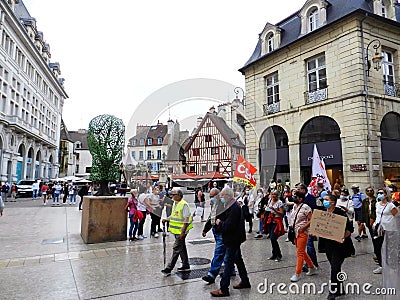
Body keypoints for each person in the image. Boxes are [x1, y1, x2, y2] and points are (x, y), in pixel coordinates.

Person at [210, 186, 250, 297]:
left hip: (233, 239)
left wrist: (219, 223)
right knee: (238, 260)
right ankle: (245, 281)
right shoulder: (230, 206)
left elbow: (229, 226)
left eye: (222, 195)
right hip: (234, 238)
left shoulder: (234, 208)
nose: (221, 197)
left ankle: (224, 288)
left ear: (227, 196)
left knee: (228, 263)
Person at [321, 194, 354, 300]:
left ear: (333, 202)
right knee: (336, 267)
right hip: (327, 245)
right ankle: (340, 289)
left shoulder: (340, 213)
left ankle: (333, 292)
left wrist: (343, 237)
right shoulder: (322, 213)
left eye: (326, 200)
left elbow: (349, 229)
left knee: (334, 268)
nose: (324, 201)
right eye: (324, 199)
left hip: (339, 245)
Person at [202, 188, 232, 284]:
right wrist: (205, 229)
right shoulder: (214, 204)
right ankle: (231, 270)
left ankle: (212, 274)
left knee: (218, 253)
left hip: (222, 231)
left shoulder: (224, 204)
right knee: (229, 253)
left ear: (218, 195)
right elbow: (211, 217)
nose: (210, 198)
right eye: (210, 196)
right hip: (216, 230)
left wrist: (221, 224)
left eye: (212, 196)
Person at [161, 189, 193, 276]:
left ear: (179, 195)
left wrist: (183, 232)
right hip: (177, 231)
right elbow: (174, 215)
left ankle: (169, 268)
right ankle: (186, 265)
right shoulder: (175, 203)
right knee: (181, 248)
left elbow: (186, 220)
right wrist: (167, 219)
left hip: (182, 231)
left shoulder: (184, 204)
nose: (171, 196)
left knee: (176, 248)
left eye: (173, 194)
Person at [289, 190, 317, 282]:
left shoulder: (306, 207)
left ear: (300, 198)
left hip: (302, 232)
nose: (294, 198)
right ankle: (312, 267)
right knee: (301, 251)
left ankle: (297, 273)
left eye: (295, 196)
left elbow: (311, 220)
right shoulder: (294, 206)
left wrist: (303, 228)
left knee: (300, 253)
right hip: (295, 231)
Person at [371, 188, 399, 274]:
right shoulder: (377, 204)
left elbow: (396, 216)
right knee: (377, 248)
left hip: (389, 229)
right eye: (378, 193)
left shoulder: (390, 205)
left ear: (386, 195)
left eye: (381, 193)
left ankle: (391, 266)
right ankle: (381, 265)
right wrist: (374, 223)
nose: (379, 194)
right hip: (379, 229)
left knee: (389, 248)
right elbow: (377, 215)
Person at [297, 183, 318, 271]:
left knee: (309, 245)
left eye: (298, 189)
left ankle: (312, 264)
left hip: (308, 225)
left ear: (303, 190)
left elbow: (314, 210)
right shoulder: (298, 199)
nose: (297, 191)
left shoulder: (311, 198)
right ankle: (310, 263)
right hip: (301, 225)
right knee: (304, 246)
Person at [265, 189, 285, 261]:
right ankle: (274, 254)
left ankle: (278, 255)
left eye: (275, 194)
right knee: (271, 238)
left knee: (273, 238)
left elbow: (281, 213)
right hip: (270, 221)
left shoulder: (280, 202)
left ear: (277, 195)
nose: (273, 196)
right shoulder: (269, 201)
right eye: (272, 194)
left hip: (276, 221)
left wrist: (274, 209)